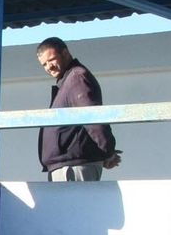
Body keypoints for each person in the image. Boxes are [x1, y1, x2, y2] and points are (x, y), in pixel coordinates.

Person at [37, 37, 121, 180]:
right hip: (68, 165)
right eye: (44, 64)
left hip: (74, 167)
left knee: (74, 203)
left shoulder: (77, 78)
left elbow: (92, 118)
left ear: (65, 53)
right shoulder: (68, 81)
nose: (48, 67)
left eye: (51, 60)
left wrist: (108, 152)